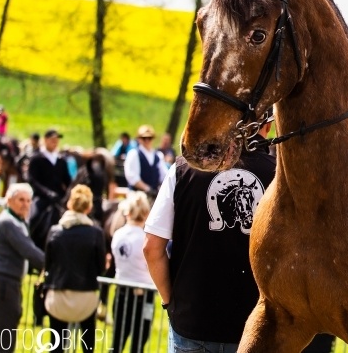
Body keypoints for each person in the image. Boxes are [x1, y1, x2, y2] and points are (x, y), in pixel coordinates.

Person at [143, 109, 334, 353]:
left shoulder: (182, 169)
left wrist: (170, 301)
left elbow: (151, 248)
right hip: (258, 332)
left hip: (191, 324)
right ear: (267, 125)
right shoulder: (283, 178)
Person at [42, 184, 106, 353]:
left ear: (69, 204)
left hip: (58, 295)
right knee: (87, 345)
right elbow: (101, 268)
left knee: (56, 345)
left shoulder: (54, 231)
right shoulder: (96, 233)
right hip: (86, 297)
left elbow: (47, 264)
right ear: (89, 207)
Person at [0, 183, 46, 353]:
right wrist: (53, 265)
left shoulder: (17, 222)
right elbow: (29, 250)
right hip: (4, 284)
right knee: (4, 338)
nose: (25, 204)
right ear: (9, 201)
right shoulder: (7, 222)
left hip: (5, 283)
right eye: (21, 200)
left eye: (28, 201)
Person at [111, 191, 155, 353]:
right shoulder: (146, 238)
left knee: (117, 340)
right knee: (138, 343)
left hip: (121, 291)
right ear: (146, 213)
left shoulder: (117, 234)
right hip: (143, 294)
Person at [27, 129, 71, 249]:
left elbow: (67, 180)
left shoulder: (61, 160)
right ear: (45, 140)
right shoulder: (36, 158)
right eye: (52, 140)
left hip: (59, 197)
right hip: (42, 197)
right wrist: (47, 193)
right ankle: (29, 241)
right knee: (33, 217)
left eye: (56, 140)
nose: (55, 142)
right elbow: (32, 179)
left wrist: (69, 193)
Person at [124, 125, 168, 197]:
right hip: (137, 195)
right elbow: (131, 176)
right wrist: (147, 189)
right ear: (139, 139)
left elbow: (164, 176)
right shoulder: (134, 154)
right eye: (144, 138)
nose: (147, 140)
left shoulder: (158, 155)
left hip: (154, 195)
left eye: (149, 138)